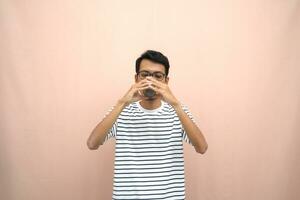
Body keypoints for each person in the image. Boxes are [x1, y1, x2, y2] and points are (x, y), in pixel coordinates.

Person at [87, 50, 208, 200]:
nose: (151, 81)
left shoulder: (178, 111)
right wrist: (122, 103)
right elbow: (92, 144)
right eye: (145, 75)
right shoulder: (121, 110)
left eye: (158, 76)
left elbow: (202, 148)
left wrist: (176, 104)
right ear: (136, 78)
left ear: (166, 81)